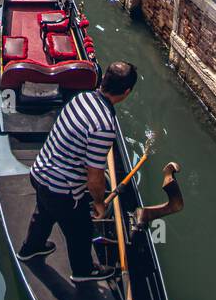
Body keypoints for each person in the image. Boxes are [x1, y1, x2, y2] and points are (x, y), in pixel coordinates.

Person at [18, 61, 138, 283]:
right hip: (61, 189)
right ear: (127, 92)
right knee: (80, 229)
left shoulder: (81, 98)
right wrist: (100, 204)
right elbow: (95, 177)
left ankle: (30, 249)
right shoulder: (104, 125)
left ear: (103, 81)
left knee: (43, 213)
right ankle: (84, 271)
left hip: (39, 172)